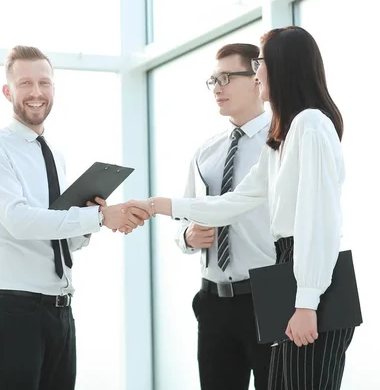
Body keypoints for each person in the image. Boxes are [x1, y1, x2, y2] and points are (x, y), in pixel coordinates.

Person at [130, 26, 354, 389]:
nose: (258, 71)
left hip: (312, 280)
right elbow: (232, 203)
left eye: (259, 63)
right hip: (293, 275)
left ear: (281, 67)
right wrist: (155, 205)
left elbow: (319, 223)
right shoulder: (285, 135)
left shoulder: (311, 125)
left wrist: (308, 303)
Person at [0, 45, 149, 389]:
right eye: (25, 84)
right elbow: (20, 221)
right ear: (8, 91)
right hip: (13, 308)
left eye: (44, 83)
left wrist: (92, 222)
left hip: (60, 308)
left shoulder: (55, 153)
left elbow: (62, 237)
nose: (36, 93)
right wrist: (99, 217)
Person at [177, 43, 275, 390]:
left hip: (270, 296)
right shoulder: (207, 151)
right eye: (213, 79)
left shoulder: (282, 140)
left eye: (228, 77)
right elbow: (185, 215)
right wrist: (187, 237)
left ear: (257, 80)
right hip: (213, 302)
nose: (218, 87)